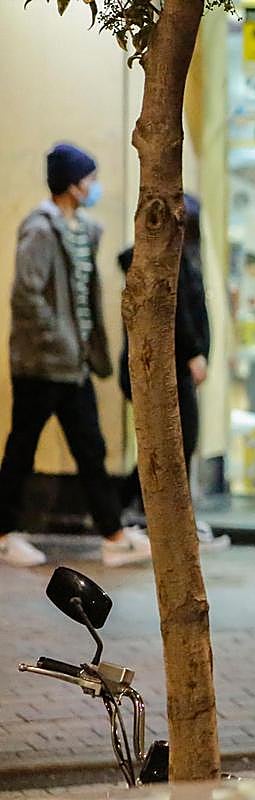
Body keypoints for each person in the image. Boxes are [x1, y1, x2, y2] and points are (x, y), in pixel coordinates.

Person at [0, 143, 151, 568]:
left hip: (74, 365)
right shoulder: (41, 230)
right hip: (42, 365)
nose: (94, 187)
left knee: (90, 448)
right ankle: (3, 532)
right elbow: (26, 295)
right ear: (71, 184)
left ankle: (113, 535)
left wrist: (83, 349)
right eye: (89, 179)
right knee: (22, 449)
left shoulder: (82, 230)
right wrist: (61, 340)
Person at [116, 194, 229, 551]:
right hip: (169, 367)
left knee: (175, 444)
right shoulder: (165, 263)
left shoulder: (182, 259)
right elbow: (175, 314)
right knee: (173, 445)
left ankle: (154, 516)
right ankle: (167, 522)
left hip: (177, 367)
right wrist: (195, 353)